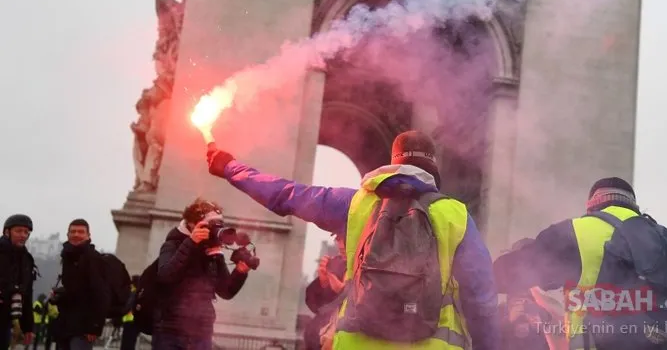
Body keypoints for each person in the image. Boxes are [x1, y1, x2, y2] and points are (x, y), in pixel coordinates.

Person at [207, 130, 501, 350]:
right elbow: (481, 301)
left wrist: (229, 167)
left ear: (393, 163)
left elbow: (287, 195)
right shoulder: (455, 216)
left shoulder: (354, 205)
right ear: (433, 170)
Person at [493, 177, 667, 350]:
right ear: (632, 205)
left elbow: (510, 274)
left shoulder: (577, 233)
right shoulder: (664, 239)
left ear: (592, 204)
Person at [153, 198, 251, 350]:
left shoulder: (213, 252)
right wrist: (191, 243)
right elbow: (165, 276)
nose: (215, 230)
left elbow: (225, 291)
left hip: (202, 332)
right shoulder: (173, 244)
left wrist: (240, 272)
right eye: (210, 225)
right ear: (192, 224)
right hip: (171, 331)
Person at [55, 218, 108, 350]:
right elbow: (75, 290)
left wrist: (94, 326)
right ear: (67, 235)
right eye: (73, 231)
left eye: (81, 232)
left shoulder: (93, 258)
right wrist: (59, 295)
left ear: (88, 236)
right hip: (66, 324)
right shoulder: (67, 257)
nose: (76, 235)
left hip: (83, 327)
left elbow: (100, 293)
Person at [303, 235, 346, 350]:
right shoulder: (338, 264)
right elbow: (315, 305)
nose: (338, 241)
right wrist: (323, 284)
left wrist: (343, 291)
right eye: (337, 236)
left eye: (343, 236)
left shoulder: (370, 268)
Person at [0, 214, 36, 350]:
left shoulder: (27, 260)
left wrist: (28, 326)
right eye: (18, 231)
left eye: (26, 232)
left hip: (6, 319)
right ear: (7, 232)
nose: (23, 235)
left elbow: (27, 293)